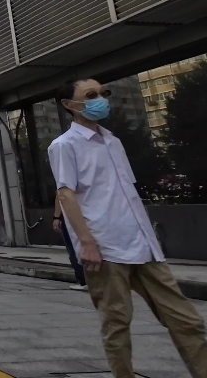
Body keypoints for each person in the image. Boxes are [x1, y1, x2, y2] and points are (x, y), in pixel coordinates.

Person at [50, 79, 207, 378]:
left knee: (187, 321)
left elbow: (125, 192)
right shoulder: (64, 146)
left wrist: (150, 236)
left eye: (103, 94)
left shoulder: (113, 141)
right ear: (69, 105)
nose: (100, 100)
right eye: (90, 96)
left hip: (144, 247)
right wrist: (88, 243)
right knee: (117, 326)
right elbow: (66, 194)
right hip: (105, 250)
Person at [53, 199, 87, 291]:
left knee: (74, 247)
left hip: (71, 215)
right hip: (89, 213)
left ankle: (83, 281)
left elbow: (61, 195)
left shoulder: (65, 185)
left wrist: (57, 217)